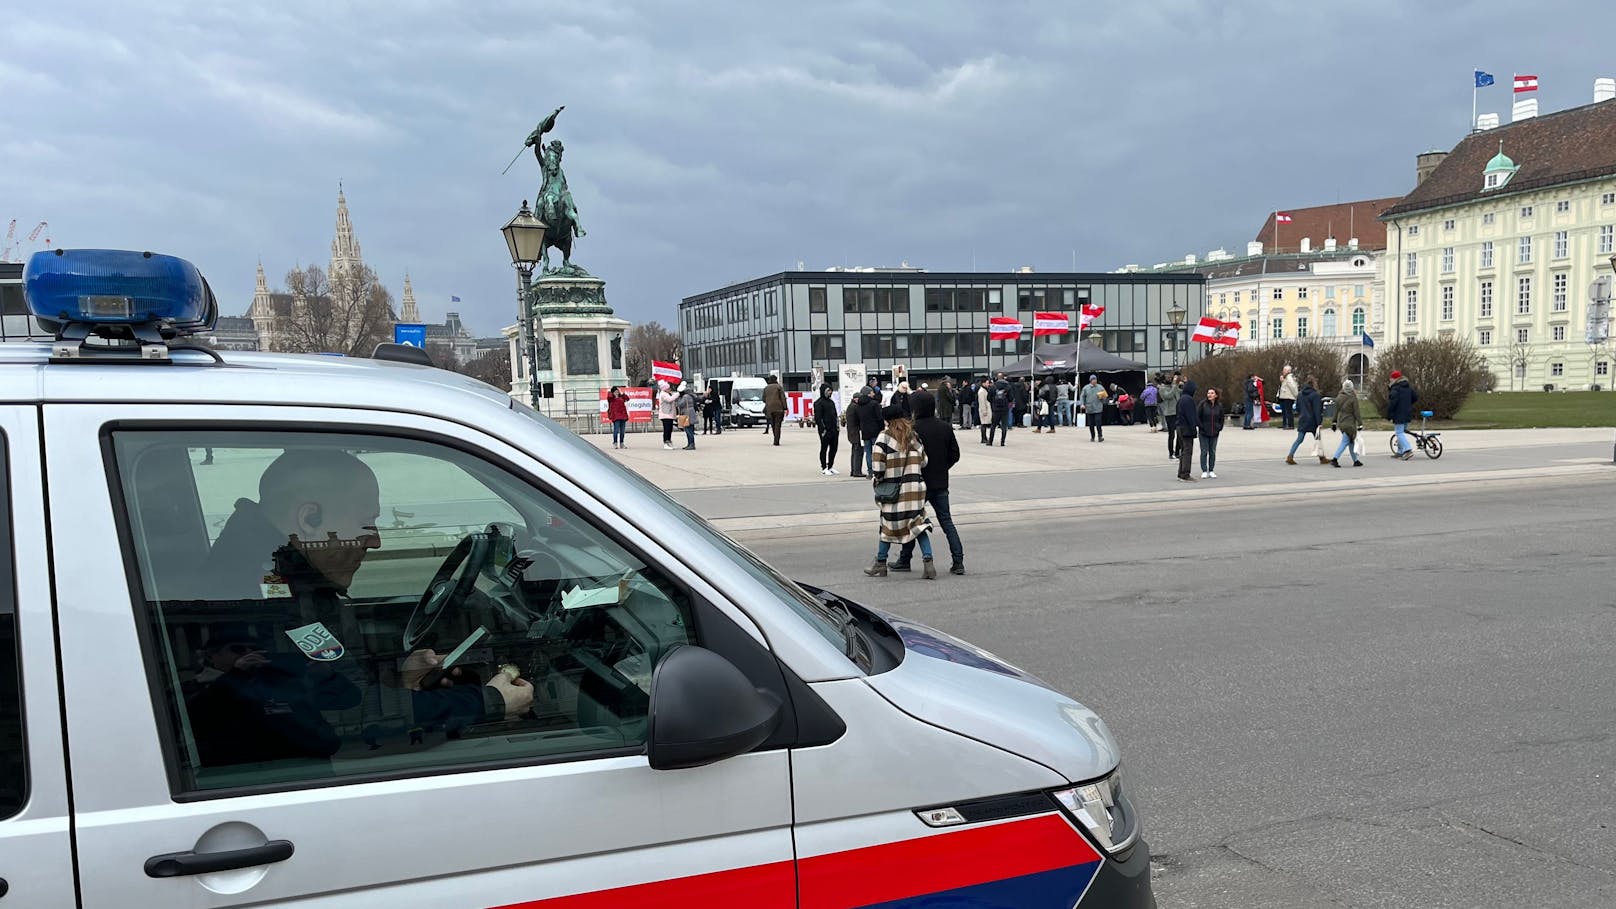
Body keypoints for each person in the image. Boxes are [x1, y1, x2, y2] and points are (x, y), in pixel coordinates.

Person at [191, 450, 532, 768]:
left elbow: (329, 687)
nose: (376, 540)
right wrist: (489, 702)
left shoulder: (280, 574)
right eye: (367, 524)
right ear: (310, 519)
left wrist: (396, 679)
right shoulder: (260, 598)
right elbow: (341, 716)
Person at [893, 390, 965, 575]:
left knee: (912, 521)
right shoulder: (945, 427)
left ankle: (904, 559)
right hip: (941, 481)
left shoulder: (912, 429)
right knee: (947, 522)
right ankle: (958, 561)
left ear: (915, 408)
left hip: (918, 483)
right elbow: (955, 455)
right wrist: (943, 467)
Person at [863, 405, 937, 579]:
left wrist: (879, 479)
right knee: (918, 526)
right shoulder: (913, 436)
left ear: (887, 420)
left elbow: (878, 467)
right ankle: (929, 564)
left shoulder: (884, 436)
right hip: (915, 490)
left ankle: (880, 563)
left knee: (887, 526)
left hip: (894, 491)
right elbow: (924, 461)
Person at [1286, 377, 1324, 465]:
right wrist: (1319, 423)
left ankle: (1290, 456)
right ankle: (1322, 457)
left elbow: (1298, 408)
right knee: (1318, 439)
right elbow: (1317, 410)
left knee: (1299, 439)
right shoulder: (1315, 395)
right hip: (1313, 421)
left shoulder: (1300, 394)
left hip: (1303, 419)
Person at [1330, 378, 1364, 467]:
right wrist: (1360, 423)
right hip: (1350, 423)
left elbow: (1336, 412)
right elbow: (1357, 412)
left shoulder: (1338, 398)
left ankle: (1355, 460)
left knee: (1351, 441)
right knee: (1345, 442)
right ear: (1352, 388)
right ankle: (1335, 459)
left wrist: (1334, 422)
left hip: (1341, 422)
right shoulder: (1353, 398)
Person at [1387, 370, 1420, 460]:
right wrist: (1407, 404)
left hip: (1399, 414)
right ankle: (1400, 451)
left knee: (1399, 433)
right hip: (1407, 412)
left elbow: (1392, 403)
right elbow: (1415, 397)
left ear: (1394, 379)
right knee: (1402, 431)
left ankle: (1408, 450)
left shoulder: (1395, 388)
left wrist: (1389, 414)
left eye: (1391, 378)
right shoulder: (1408, 387)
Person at [856, 385, 885, 475]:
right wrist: (882, 428)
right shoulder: (874, 404)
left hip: (865, 431)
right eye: (872, 392)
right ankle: (879, 469)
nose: (873, 393)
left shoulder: (858, 406)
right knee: (878, 451)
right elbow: (879, 418)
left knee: (868, 452)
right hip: (875, 431)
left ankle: (870, 471)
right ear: (868, 394)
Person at [813, 384, 840, 476]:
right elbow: (818, 418)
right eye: (828, 391)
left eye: (831, 391)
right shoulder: (818, 403)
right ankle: (824, 467)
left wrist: (837, 426)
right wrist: (823, 429)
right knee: (824, 448)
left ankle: (830, 466)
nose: (830, 392)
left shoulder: (831, 402)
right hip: (825, 430)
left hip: (834, 429)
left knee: (834, 448)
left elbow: (835, 415)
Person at [1197, 386, 1224, 479]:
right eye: (1208, 393)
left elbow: (1221, 418)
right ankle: (1204, 470)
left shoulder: (1219, 406)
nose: (1209, 395)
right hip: (1203, 432)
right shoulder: (1202, 404)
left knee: (1212, 451)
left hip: (1214, 432)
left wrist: (1219, 428)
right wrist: (1201, 427)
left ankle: (1211, 470)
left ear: (1216, 395)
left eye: (1212, 393)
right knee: (1204, 451)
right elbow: (1198, 417)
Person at [1176, 378, 1199, 481]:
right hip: (1186, 428)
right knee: (1187, 451)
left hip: (1179, 427)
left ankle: (1181, 472)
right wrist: (1194, 429)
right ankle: (1185, 473)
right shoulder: (1188, 400)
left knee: (1183, 451)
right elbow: (1190, 416)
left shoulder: (1181, 399)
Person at [1159, 374, 1182, 458]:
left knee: (1179, 433)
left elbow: (1180, 393)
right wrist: (1175, 386)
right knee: (1171, 434)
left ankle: (1177, 452)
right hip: (1169, 413)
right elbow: (1168, 396)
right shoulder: (1162, 388)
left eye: (1170, 377)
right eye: (1167, 378)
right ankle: (1171, 452)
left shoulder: (1174, 386)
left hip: (1178, 412)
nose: (1169, 379)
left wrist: (1182, 384)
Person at [844, 388, 865, 477]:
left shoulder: (850, 406)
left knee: (854, 451)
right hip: (856, 432)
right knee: (858, 451)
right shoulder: (855, 407)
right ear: (856, 399)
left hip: (851, 432)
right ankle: (857, 471)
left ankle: (854, 470)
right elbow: (860, 419)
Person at [1079, 375, 1106, 442]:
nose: (1094, 381)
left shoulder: (1100, 387)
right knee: (1091, 424)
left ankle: (1100, 436)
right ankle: (1092, 436)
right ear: (1090, 381)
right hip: (1089, 408)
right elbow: (1082, 397)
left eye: (1095, 379)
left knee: (1098, 422)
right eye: (1093, 380)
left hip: (1098, 408)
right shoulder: (1086, 388)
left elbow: (1105, 397)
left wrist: (1103, 397)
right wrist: (1082, 404)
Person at [763, 374, 787, 445]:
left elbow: (763, 399)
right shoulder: (779, 387)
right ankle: (776, 440)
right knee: (778, 425)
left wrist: (769, 402)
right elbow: (783, 398)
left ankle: (775, 437)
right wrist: (785, 407)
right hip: (779, 409)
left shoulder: (766, 388)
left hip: (770, 409)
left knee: (773, 424)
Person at [989, 374, 1012, 446]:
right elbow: (1011, 398)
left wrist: (993, 402)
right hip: (1004, 409)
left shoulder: (993, 386)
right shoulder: (1008, 386)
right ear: (1003, 378)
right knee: (1004, 426)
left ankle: (990, 441)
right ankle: (1002, 442)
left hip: (996, 409)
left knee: (993, 425)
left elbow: (988, 397)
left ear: (997, 378)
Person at [676, 382, 700, 450]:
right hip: (691, 413)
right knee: (690, 429)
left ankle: (691, 444)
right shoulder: (690, 395)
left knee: (688, 430)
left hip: (687, 414)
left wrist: (678, 399)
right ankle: (690, 443)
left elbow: (680, 404)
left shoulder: (685, 397)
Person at [656, 381, 677, 450]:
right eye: (668, 388)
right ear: (665, 389)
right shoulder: (663, 394)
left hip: (669, 414)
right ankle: (666, 442)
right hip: (665, 415)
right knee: (667, 429)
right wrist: (677, 394)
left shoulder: (668, 393)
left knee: (670, 429)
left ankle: (669, 441)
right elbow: (669, 400)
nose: (670, 389)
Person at [1278, 365, 1299, 431]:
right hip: (1284, 397)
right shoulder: (1285, 378)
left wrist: (1296, 395)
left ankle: (1290, 425)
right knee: (1284, 411)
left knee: (1288, 411)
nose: (1283, 371)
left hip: (1288, 397)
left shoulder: (1289, 377)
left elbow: (1293, 387)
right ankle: (1285, 424)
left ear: (1288, 371)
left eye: (1284, 370)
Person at [977, 378, 993, 444]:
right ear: (983, 383)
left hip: (986, 409)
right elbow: (982, 402)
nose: (988, 384)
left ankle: (984, 437)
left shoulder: (985, 390)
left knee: (985, 424)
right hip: (984, 410)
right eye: (987, 383)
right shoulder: (981, 391)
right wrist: (984, 411)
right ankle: (983, 438)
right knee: (983, 424)